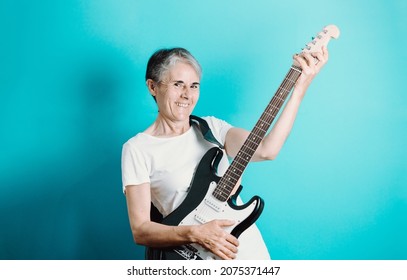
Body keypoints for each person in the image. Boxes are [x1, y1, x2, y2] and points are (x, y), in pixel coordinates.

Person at [121, 46, 328, 260]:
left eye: (194, 86)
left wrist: (299, 91)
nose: (187, 95)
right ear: (153, 87)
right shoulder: (138, 149)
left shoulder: (212, 129)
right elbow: (141, 230)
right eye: (177, 84)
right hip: (192, 258)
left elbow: (267, 149)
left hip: (244, 248)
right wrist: (195, 233)